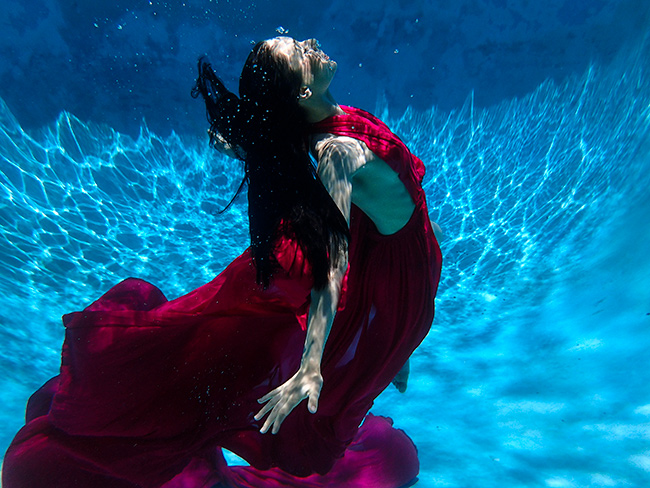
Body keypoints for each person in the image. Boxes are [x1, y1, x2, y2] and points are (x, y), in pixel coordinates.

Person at [3, 36, 442, 488]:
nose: (311, 43)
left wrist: (246, 143)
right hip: (393, 277)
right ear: (304, 92)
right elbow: (333, 268)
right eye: (301, 52)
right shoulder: (337, 154)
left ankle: (388, 347)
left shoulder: (342, 122)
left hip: (403, 262)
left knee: (358, 360)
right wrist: (310, 368)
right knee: (281, 387)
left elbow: (385, 190)